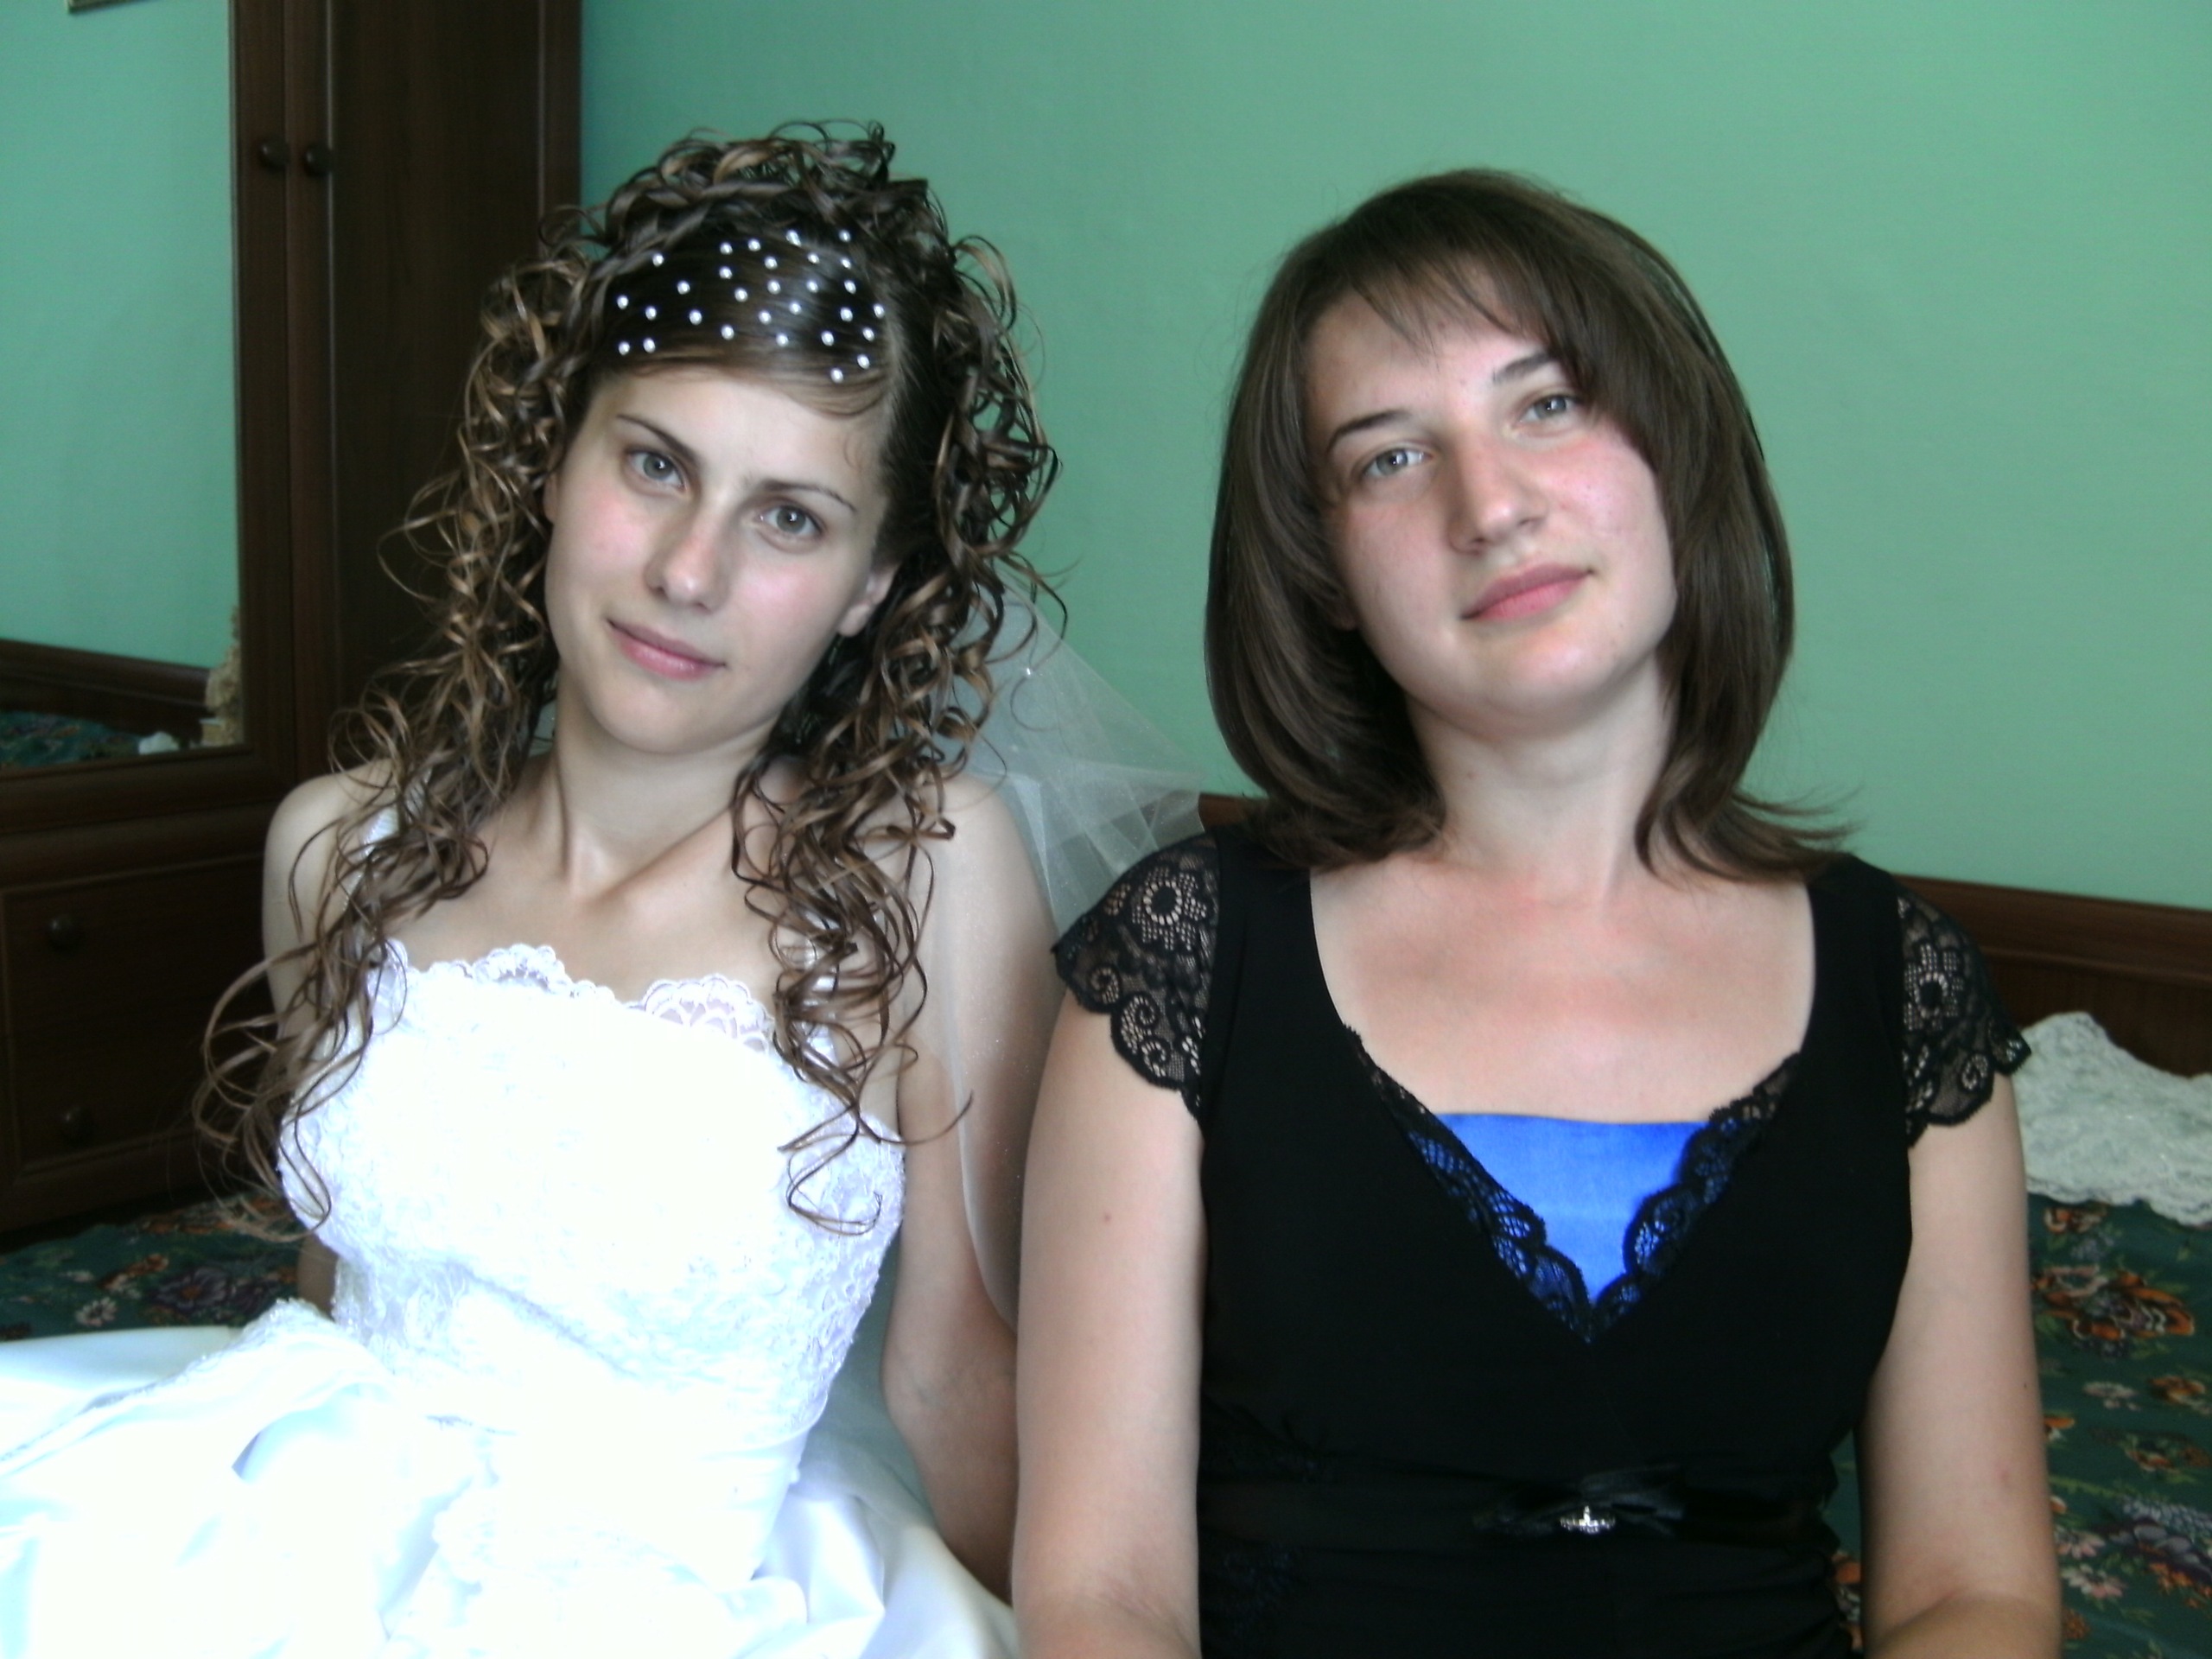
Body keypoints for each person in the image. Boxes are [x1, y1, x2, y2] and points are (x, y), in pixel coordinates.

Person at [0, 126, 1192, 1657]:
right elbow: (338, 1278)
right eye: (656, 465)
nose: (689, 571)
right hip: (291, 1539)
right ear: (555, 465)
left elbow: (957, 1371)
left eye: (789, 517)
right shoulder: (335, 850)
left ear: (871, 586)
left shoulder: (927, 878)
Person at [1014, 170, 2061, 1659]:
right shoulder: (1183, 960)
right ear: (1324, 574)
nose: (1491, 506)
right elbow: (1099, 1596)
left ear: (1676, 451)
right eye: (1390, 457)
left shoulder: (1908, 984)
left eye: (1550, 404)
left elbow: (1978, 1591)